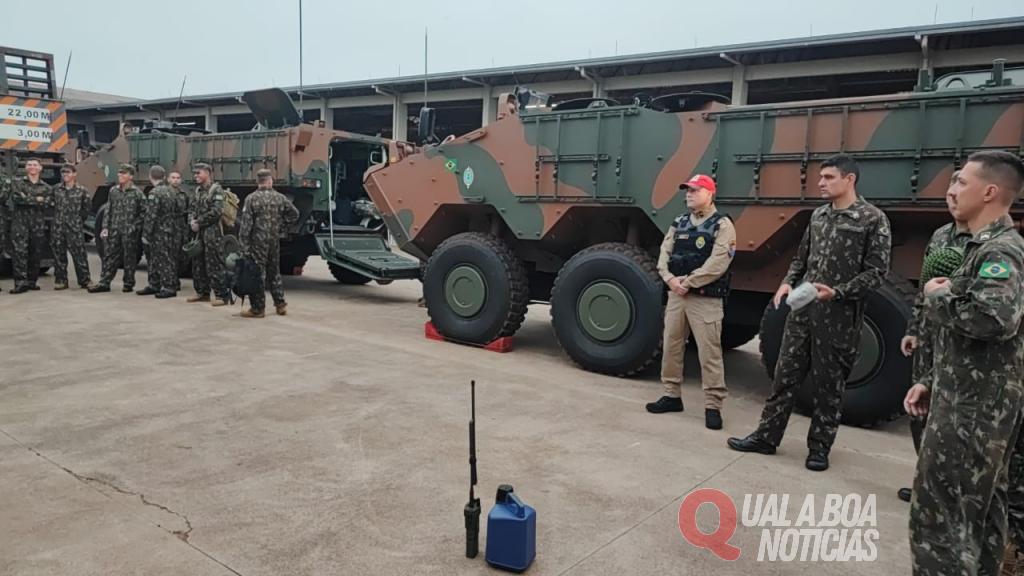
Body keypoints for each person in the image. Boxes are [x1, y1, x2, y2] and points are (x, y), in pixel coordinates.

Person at [726, 154, 891, 472]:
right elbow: (801, 259)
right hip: (803, 313)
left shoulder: (872, 219)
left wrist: (839, 292)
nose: (820, 183)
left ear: (849, 179)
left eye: (828, 177)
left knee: (829, 385)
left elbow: (876, 273)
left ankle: (819, 448)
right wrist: (787, 283)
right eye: (821, 177)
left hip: (839, 317)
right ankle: (766, 437)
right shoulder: (818, 216)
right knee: (784, 377)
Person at [905, 150, 1024, 576]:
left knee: (940, 524)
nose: (951, 190)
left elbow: (994, 319)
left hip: (971, 413)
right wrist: (932, 379)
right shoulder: (979, 247)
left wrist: (938, 297)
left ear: (989, 192)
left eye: (960, 182)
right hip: (968, 400)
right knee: (980, 519)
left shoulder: (1000, 251)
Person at [895, 171, 971, 503]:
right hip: (929, 338)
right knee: (920, 411)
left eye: (959, 189)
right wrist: (914, 328)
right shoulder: (941, 235)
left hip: (959, 341)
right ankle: (925, 481)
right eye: (949, 190)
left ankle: (951, 491)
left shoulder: (986, 244)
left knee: (954, 420)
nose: (952, 196)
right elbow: (924, 289)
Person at [646, 174, 736, 430]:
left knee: (709, 353)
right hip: (677, 295)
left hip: (704, 299)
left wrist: (688, 282)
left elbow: (719, 262)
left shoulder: (722, 225)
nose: (689, 194)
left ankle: (713, 406)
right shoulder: (680, 222)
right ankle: (671, 395)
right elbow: (664, 253)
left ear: (710, 193)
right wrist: (669, 279)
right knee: (672, 346)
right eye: (687, 190)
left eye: (695, 190)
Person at [237, 169, 299, 317]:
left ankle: (258, 308)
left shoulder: (252, 199)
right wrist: (282, 227)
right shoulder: (280, 198)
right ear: (270, 181)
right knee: (274, 272)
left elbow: (246, 226)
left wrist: (244, 247)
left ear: (257, 182)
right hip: (274, 241)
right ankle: (280, 305)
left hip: (257, 243)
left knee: (257, 274)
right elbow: (294, 214)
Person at [89, 164, 144, 293]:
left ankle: (128, 283)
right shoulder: (113, 191)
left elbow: (143, 213)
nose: (120, 175)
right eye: (119, 173)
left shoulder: (137, 193)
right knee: (110, 256)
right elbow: (108, 210)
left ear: (131, 176)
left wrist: (134, 227)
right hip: (114, 230)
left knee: (129, 257)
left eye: (124, 173)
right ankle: (104, 282)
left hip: (129, 231)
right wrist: (105, 227)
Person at [187, 163, 229, 306]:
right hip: (199, 233)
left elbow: (216, 211)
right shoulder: (197, 191)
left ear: (207, 173)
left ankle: (221, 295)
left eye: (198, 173)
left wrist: (199, 222)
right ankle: (202, 292)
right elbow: (191, 208)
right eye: (195, 173)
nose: (196, 176)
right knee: (198, 264)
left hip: (212, 233)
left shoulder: (216, 190)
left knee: (214, 263)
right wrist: (191, 221)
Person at [9, 157, 53, 294]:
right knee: (19, 252)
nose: (32, 167)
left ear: (40, 168)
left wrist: (27, 197)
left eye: (35, 165)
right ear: (26, 167)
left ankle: (31, 281)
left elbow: (48, 202)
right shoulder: (18, 183)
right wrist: (37, 199)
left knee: (35, 252)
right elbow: (17, 198)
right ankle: (20, 283)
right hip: (20, 223)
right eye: (29, 164)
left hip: (37, 224)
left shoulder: (46, 187)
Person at [137, 166, 178, 298]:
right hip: (169, 230)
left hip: (158, 232)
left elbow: (151, 215)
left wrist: (146, 234)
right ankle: (155, 284)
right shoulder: (171, 191)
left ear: (150, 177)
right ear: (164, 177)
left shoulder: (154, 193)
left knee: (161, 259)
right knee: (160, 258)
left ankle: (168, 287)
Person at [50, 163, 93, 290]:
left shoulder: (82, 190)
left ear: (74, 174)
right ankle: (61, 280)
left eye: (68, 172)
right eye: (63, 172)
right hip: (58, 227)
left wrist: (77, 220)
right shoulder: (56, 189)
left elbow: (86, 209)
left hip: (75, 228)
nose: (65, 174)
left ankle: (85, 280)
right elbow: (50, 205)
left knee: (79, 255)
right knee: (59, 255)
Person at [168, 170, 190, 293]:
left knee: (181, 256)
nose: (175, 180)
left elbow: (187, 211)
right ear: (168, 179)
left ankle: (175, 278)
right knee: (170, 256)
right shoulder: (165, 193)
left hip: (181, 229)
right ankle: (172, 281)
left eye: (178, 178)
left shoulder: (184, 195)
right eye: (173, 177)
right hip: (169, 228)